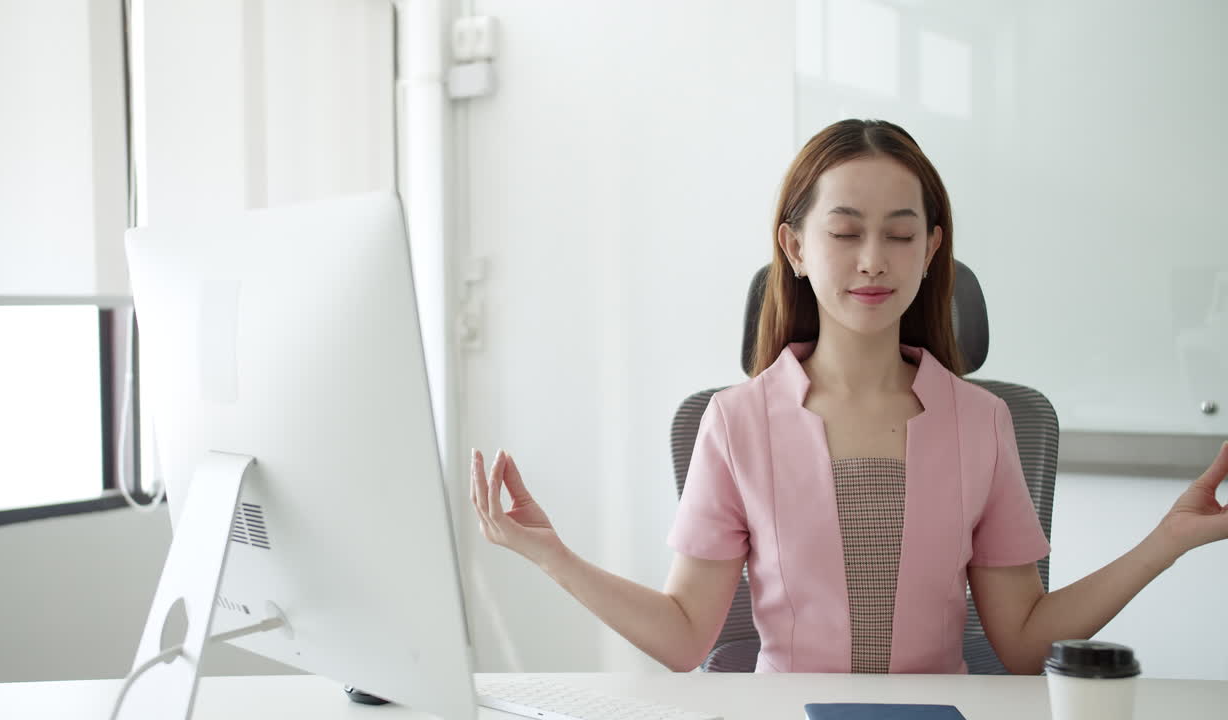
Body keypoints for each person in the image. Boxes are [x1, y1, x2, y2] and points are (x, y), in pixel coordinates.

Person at [468, 118, 1228, 674]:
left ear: (932, 251)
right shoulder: (734, 424)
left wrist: (1168, 539)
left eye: (901, 235)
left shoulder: (983, 422)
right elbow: (683, 636)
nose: (874, 261)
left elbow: (1024, 641)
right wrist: (552, 557)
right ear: (795, 247)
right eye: (845, 232)